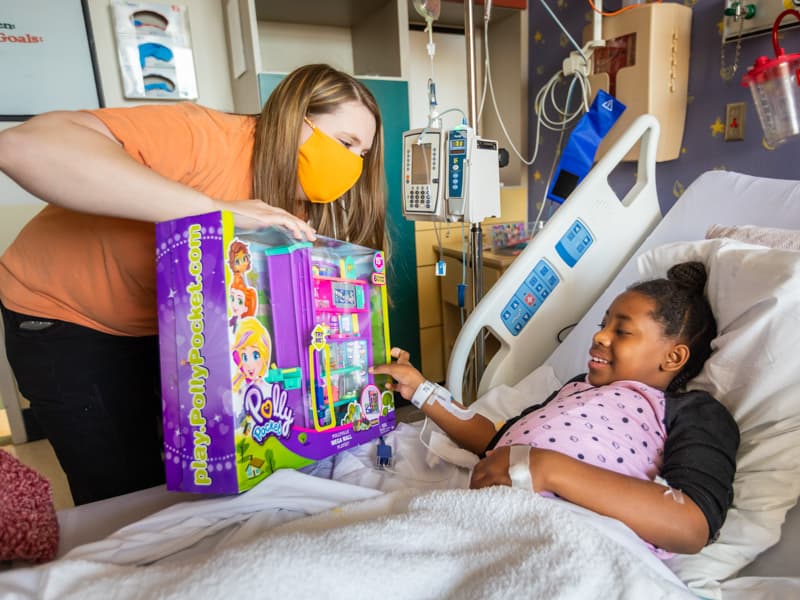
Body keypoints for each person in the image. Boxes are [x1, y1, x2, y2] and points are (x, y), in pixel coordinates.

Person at [0, 63, 386, 505]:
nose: (352, 165)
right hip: (65, 314)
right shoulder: (205, 137)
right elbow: (20, 148)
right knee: (125, 491)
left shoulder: (297, 205)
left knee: (189, 479)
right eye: (345, 143)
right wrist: (212, 209)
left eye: (362, 154)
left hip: (172, 327)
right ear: (297, 120)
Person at [371, 262, 740, 556]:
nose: (599, 335)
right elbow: (493, 440)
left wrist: (546, 467)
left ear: (673, 356)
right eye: (602, 324)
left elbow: (691, 525)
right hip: (482, 521)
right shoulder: (574, 390)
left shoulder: (691, 410)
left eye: (622, 331)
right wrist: (421, 391)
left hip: (573, 538)